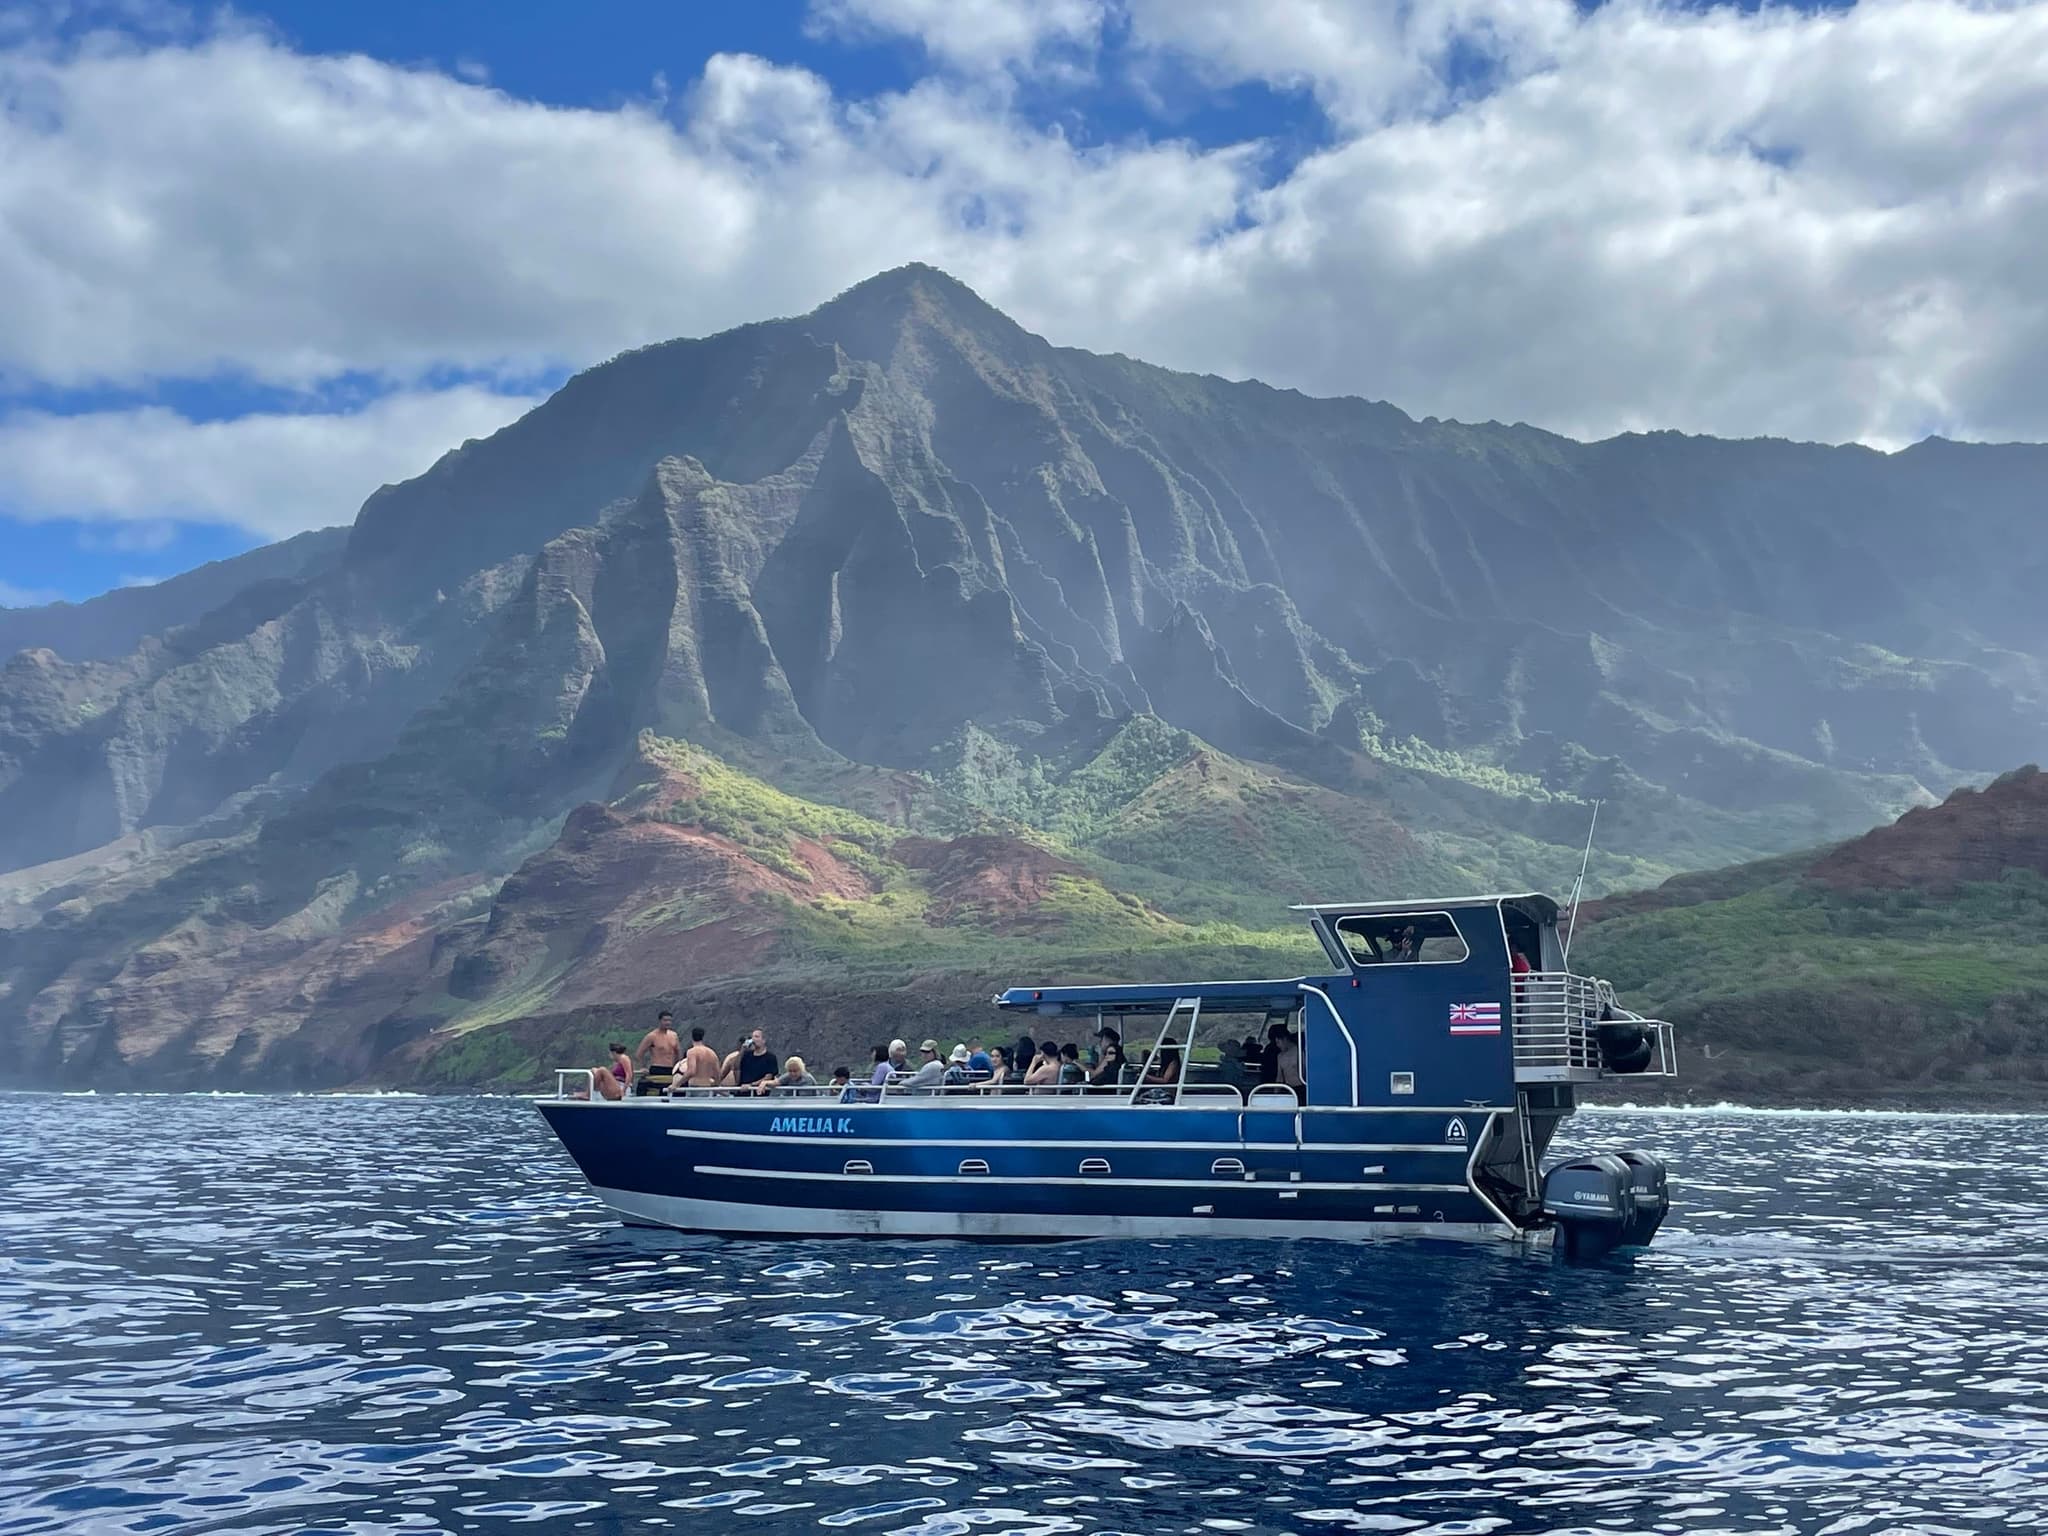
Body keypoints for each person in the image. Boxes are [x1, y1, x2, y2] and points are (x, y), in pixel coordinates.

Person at [634, 1010, 682, 1096]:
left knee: (673, 1091)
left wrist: (678, 1067)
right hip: (657, 1068)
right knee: (656, 1092)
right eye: (665, 1020)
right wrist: (643, 1067)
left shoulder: (674, 1035)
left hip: (671, 1069)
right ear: (660, 1021)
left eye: (669, 1020)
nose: (667, 1023)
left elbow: (678, 1052)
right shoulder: (652, 1036)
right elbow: (639, 1054)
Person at [730, 1028, 780, 1094]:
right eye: (752, 1037)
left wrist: (751, 1085)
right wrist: (742, 1050)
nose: (753, 1039)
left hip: (759, 1095)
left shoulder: (770, 1057)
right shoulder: (746, 1055)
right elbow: (736, 1068)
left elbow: (768, 1077)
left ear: (763, 1040)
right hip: (742, 1094)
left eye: (756, 1037)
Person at [677, 1026, 723, 1092]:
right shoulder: (712, 1052)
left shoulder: (692, 1052)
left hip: (695, 1087)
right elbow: (718, 1073)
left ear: (692, 1037)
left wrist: (677, 1084)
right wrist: (716, 1085)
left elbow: (691, 1071)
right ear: (703, 1037)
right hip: (708, 1087)